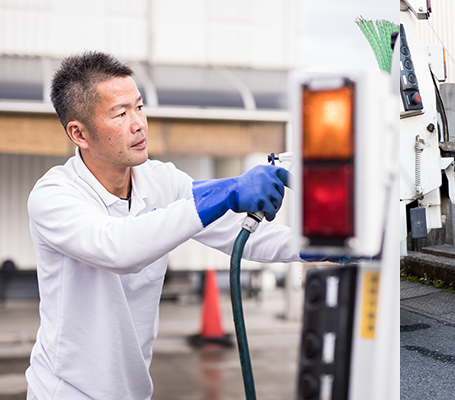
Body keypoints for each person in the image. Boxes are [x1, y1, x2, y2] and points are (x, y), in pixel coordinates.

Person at [25, 51, 300, 399]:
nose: (138, 123)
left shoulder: (160, 180)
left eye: (139, 107)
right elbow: (118, 248)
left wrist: (336, 244)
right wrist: (225, 192)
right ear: (79, 133)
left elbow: (243, 235)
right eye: (120, 113)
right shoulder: (54, 196)